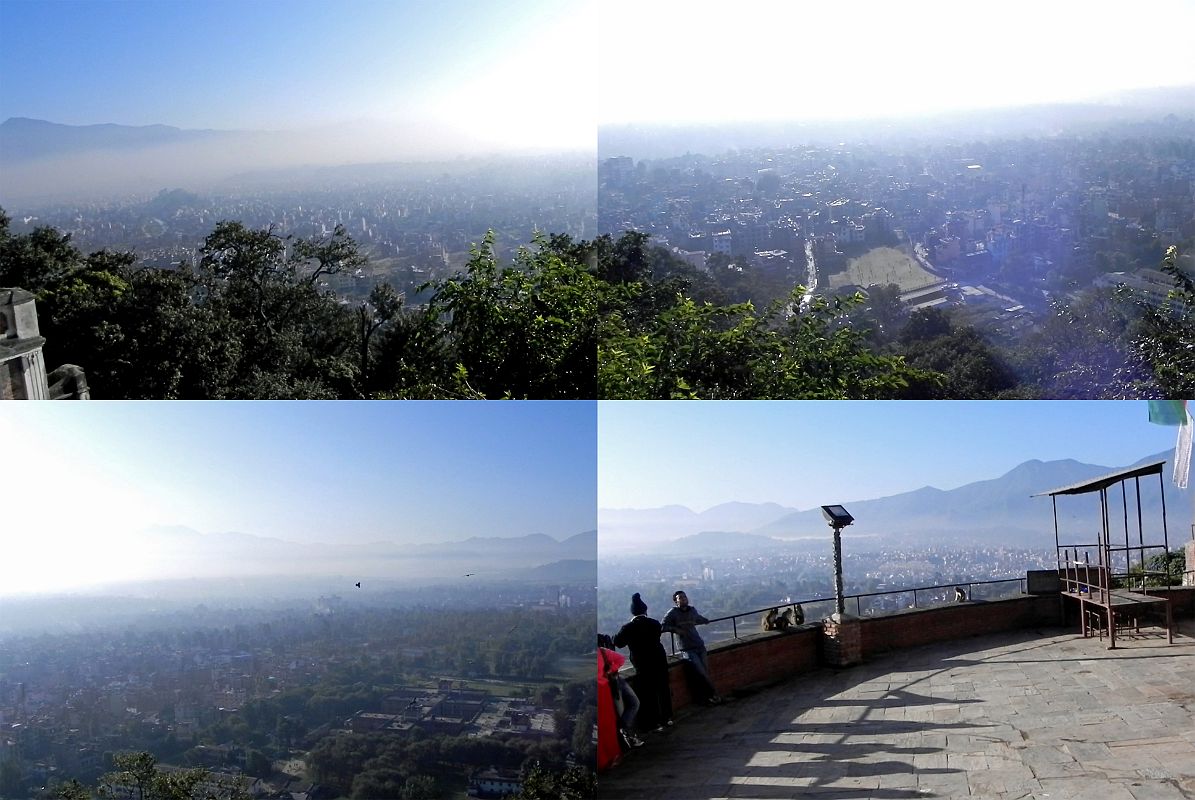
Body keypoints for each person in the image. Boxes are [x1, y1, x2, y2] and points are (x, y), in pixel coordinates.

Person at [613, 592, 674, 731]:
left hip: (642, 663)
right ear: (645, 611)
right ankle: (667, 717)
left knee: (648, 693)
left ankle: (653, 722)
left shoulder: (628, 627)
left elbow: (618, 642)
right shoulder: (654, 623)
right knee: (663, 689)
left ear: (633, 612)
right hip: (659, 660)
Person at [661, 590, 721, 705]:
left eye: (684, 597)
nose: (684, 599)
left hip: (699, 645)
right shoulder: (673, 613)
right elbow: (663, 626)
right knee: (702, 672)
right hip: (687, 648)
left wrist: (705, 620)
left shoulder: (692, 610)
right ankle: (714, 694)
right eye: (680, 598)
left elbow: (697, 618)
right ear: (676, 601)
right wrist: (676, 630)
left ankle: (707, 698)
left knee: (704, 672)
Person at [598, 636, 642, 770]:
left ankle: (607, 756)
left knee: (604, 724)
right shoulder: (601, 652)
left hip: (603, 690)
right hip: (604, 690)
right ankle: (612, 752)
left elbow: (620, 659)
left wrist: (610, 670)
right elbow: (620, 659)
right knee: (606, 724)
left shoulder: (599, 652)